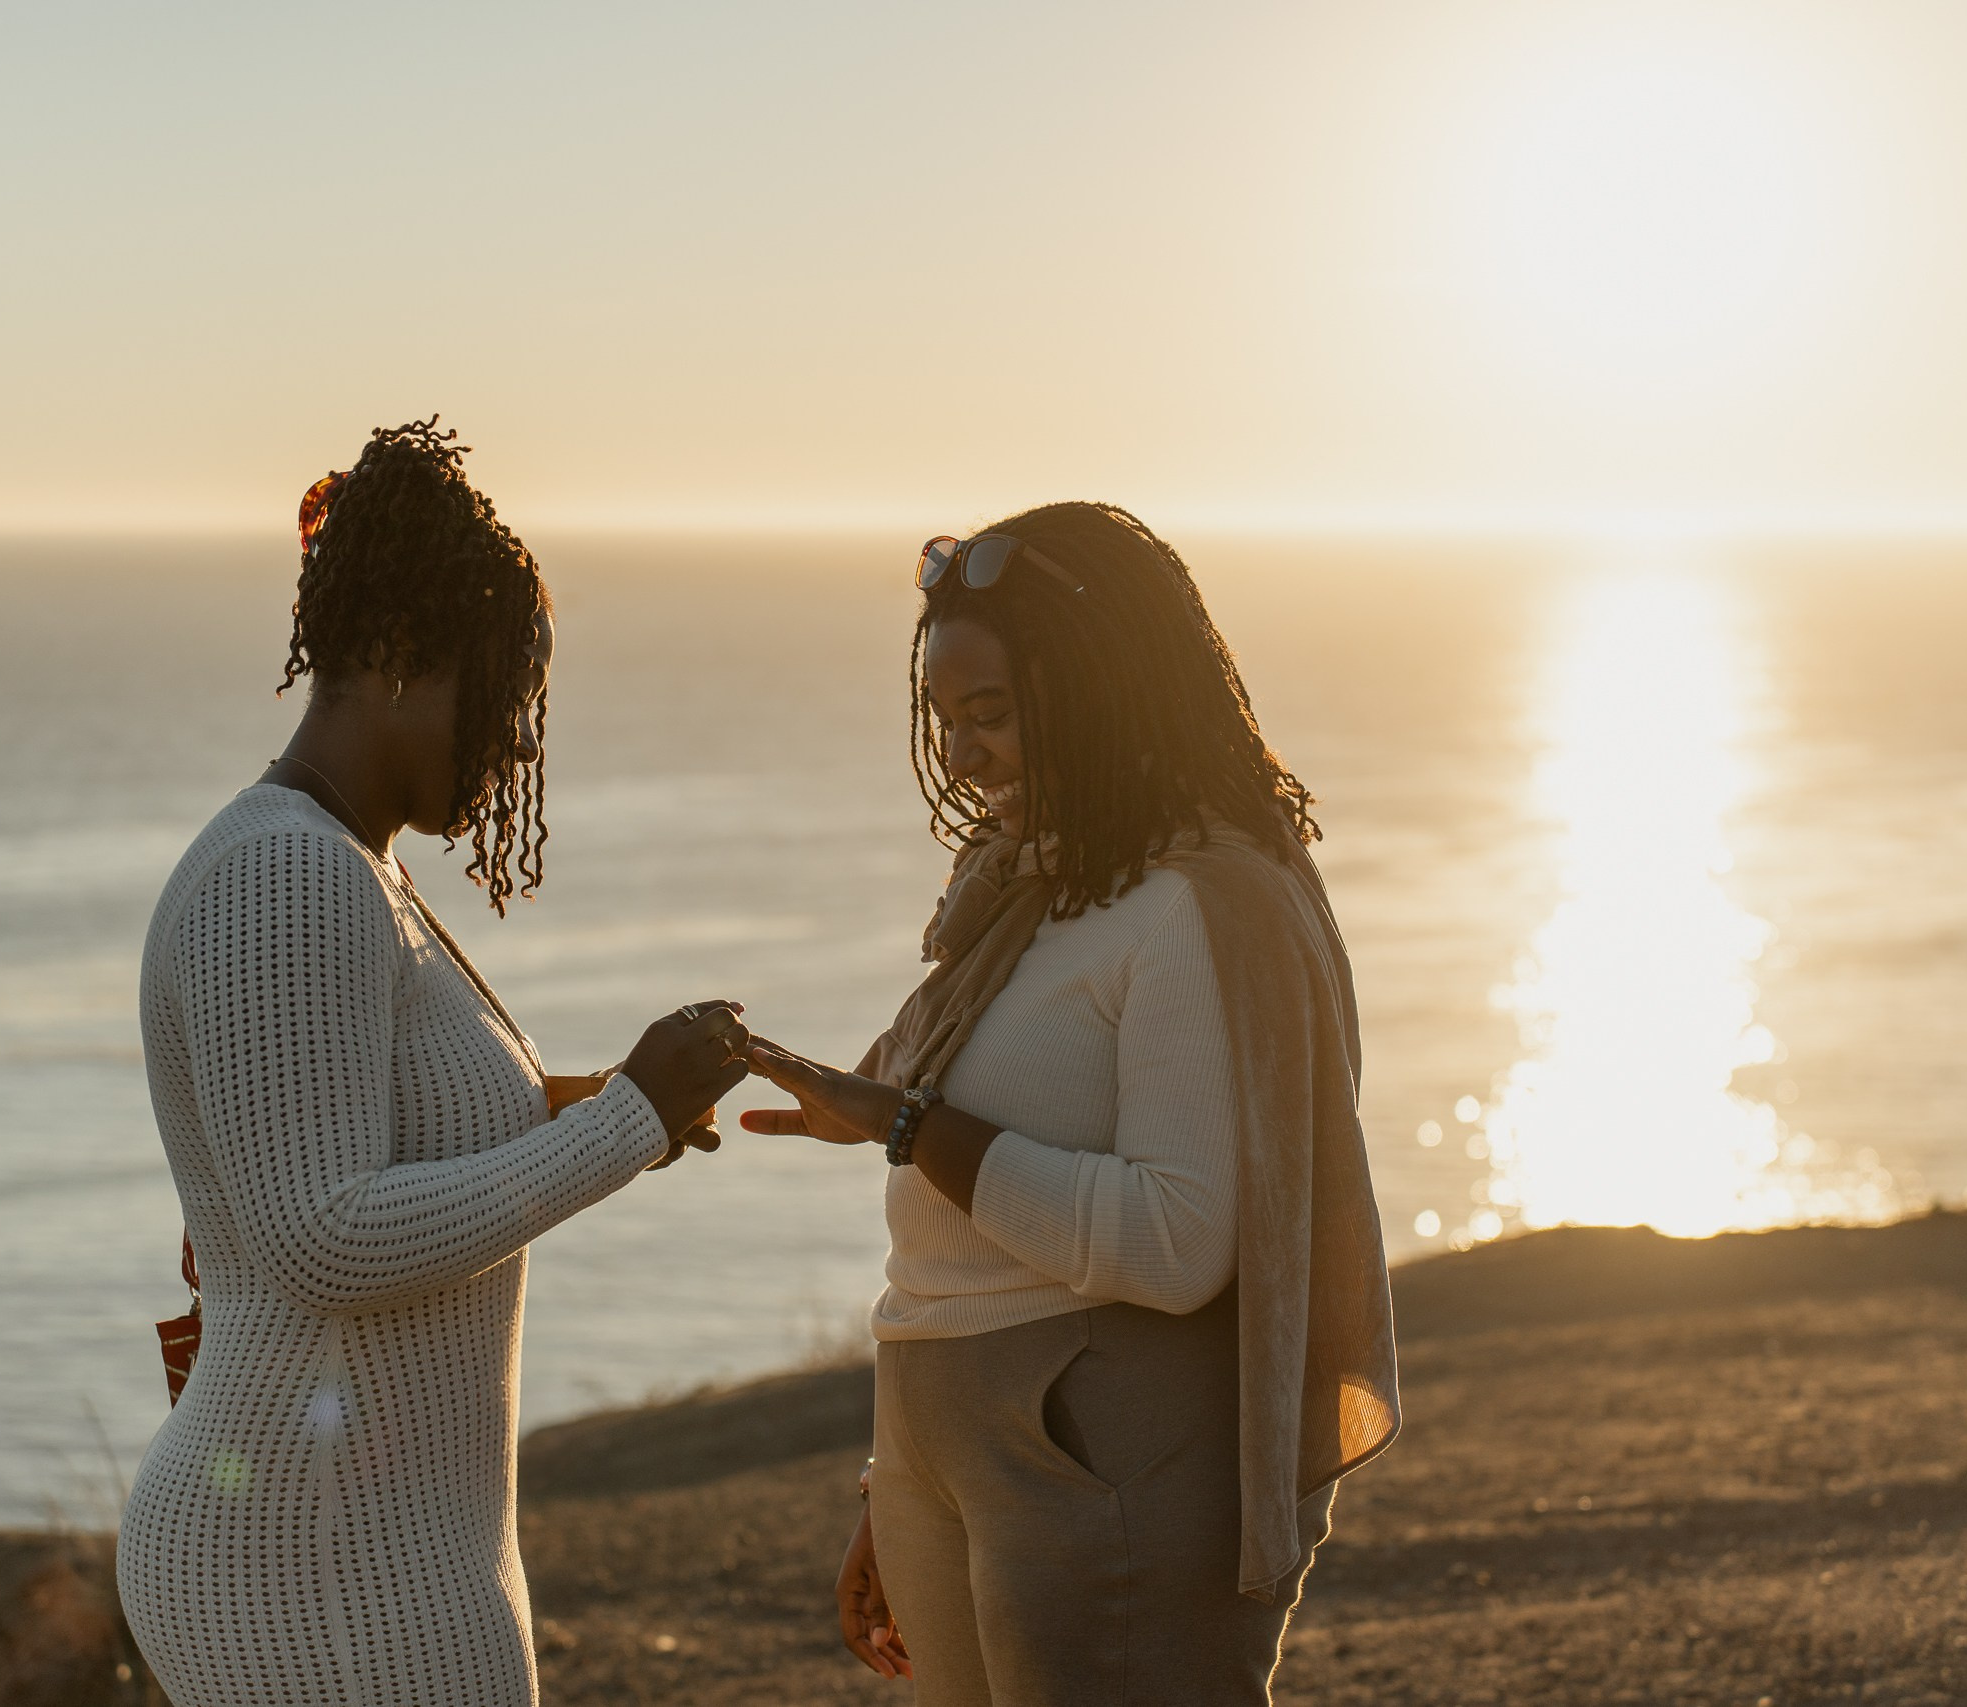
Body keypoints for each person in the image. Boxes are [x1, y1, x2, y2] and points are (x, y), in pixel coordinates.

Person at [116, 419, 749, 1707]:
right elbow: (321, 1234)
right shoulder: (289, 876)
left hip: (370, 1538)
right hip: (314, 1559)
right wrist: (625, 1120)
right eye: (506, 694)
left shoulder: (350, 865)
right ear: (399, 657)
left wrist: (565, 1106)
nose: (518, 740)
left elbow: (362, 1132)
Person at [741, 503, 1403, 1706]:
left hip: (1096, 1454)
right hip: (946, 1437)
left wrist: (908, 1128)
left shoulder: (1202, 904)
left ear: (1101, 691)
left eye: (989, 715)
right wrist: (900, 1478)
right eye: (946, 721)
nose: (962, 755)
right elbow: (950, 1200)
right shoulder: (1022, 894)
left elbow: (1171, 1240)